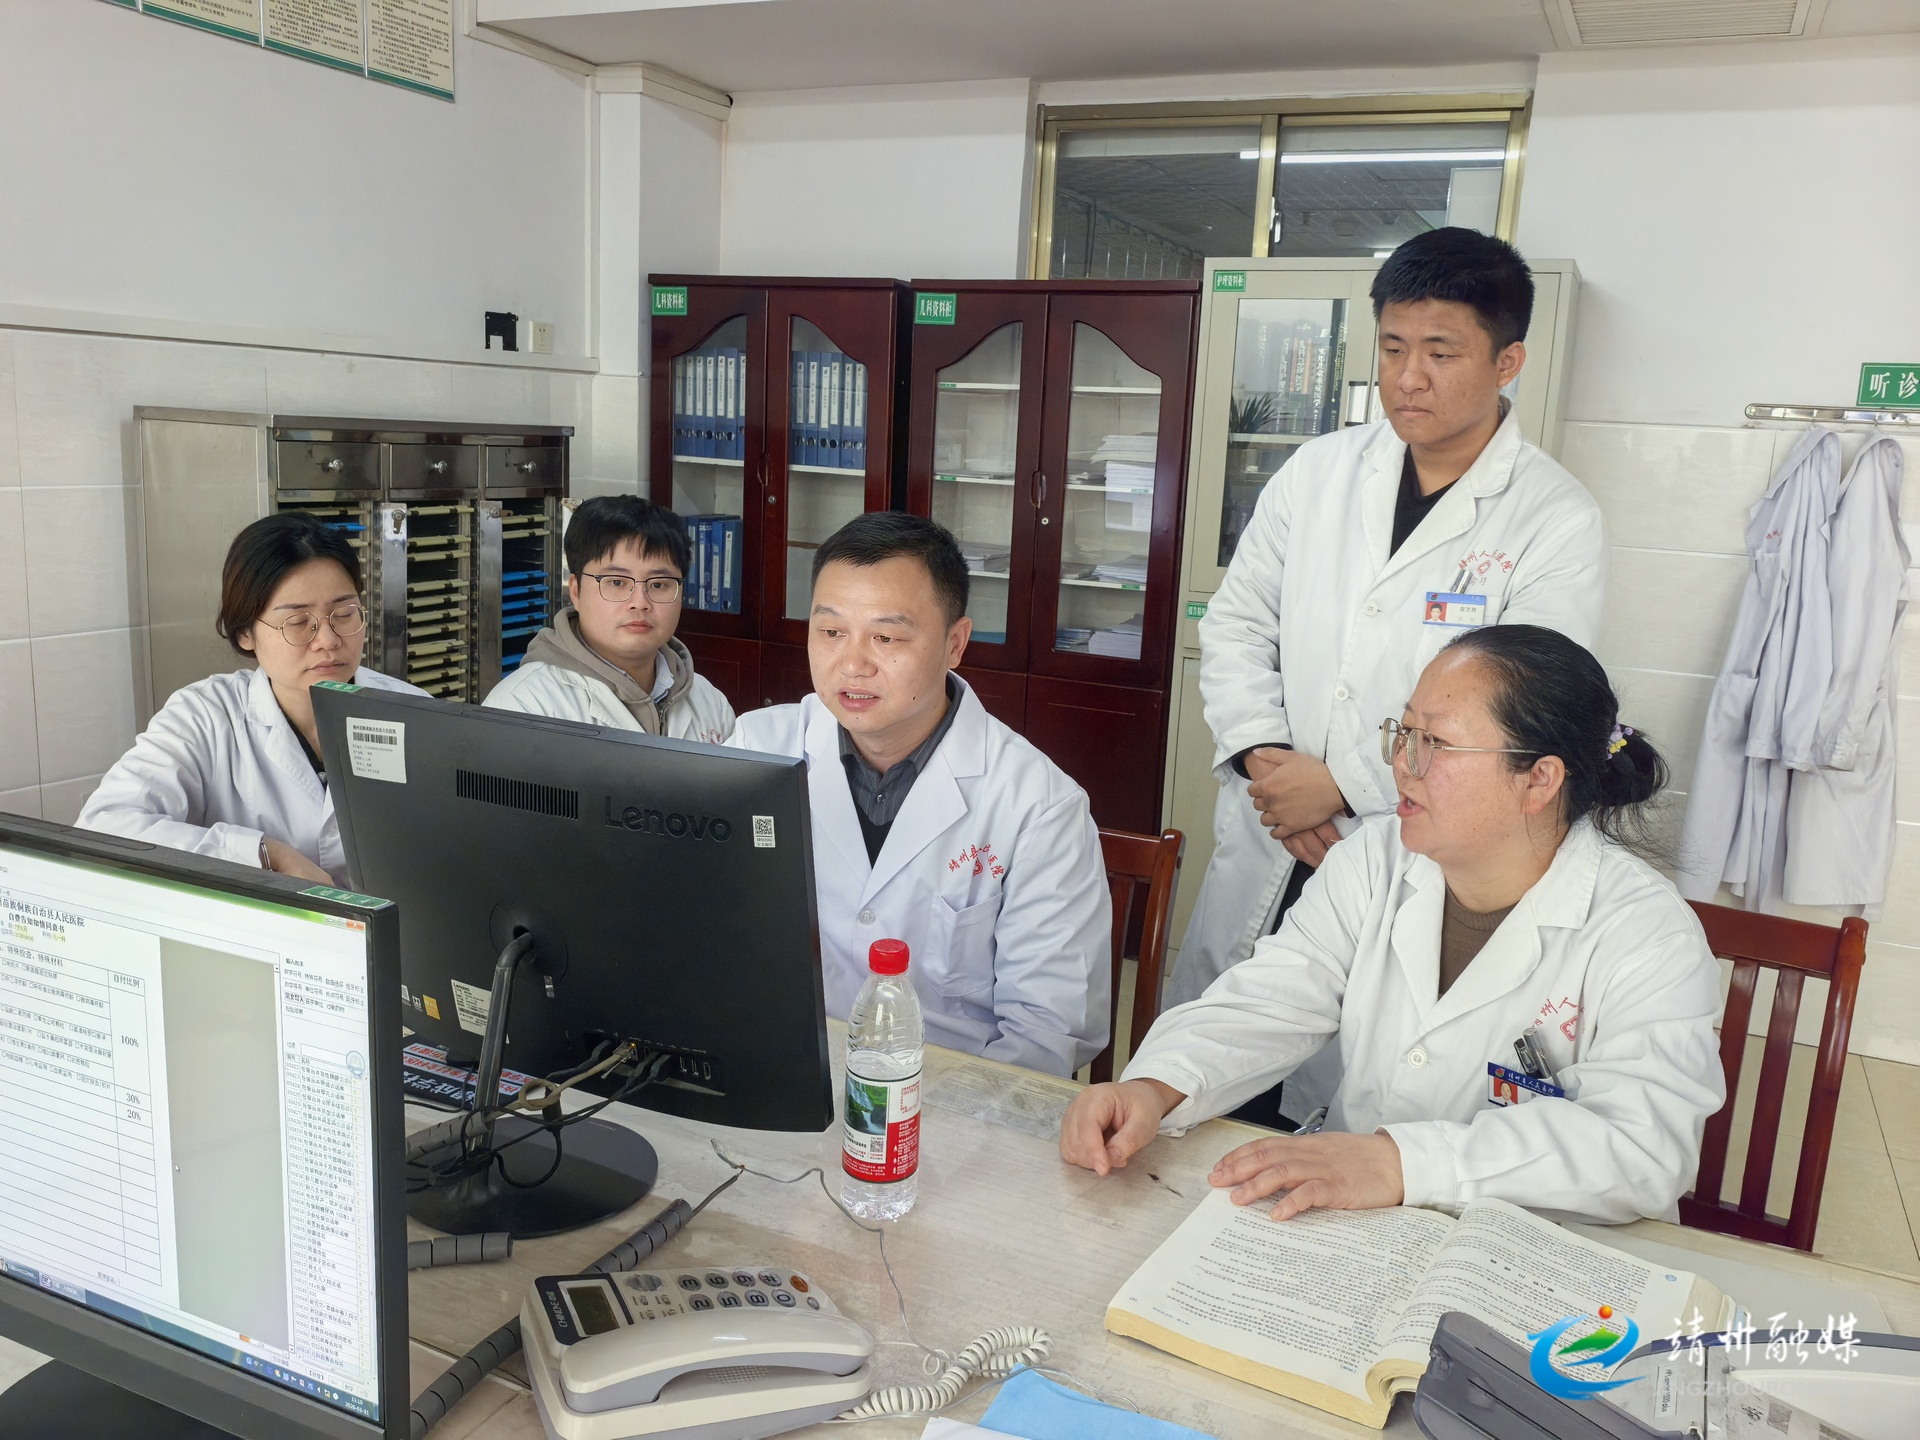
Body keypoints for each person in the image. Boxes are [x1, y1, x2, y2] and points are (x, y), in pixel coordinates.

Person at [1061, 625, 1725, 1227]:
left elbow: (1643, 1148)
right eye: (1403, 733)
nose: (1401, 763)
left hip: (1534, 1255)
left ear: (1539, 780)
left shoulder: (1646, 933)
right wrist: (1154, 1086)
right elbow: (1269, 1000)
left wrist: (1400, 1162)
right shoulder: (1374, 861)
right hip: (1358, 1228)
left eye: (1435, 742)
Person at [1172, 228, 1608, 1127]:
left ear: (1508, 362)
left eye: (1441, 353)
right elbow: (1239, 622)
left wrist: (1342, 784)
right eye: (1394, 347)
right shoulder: (1319, 472)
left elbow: (1524, 707)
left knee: (1341, 1101)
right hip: (1272, 818)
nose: (1409, 377)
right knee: (1218, 1073)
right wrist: (1264, 758)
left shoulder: (1554, 518)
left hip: (1402, 842)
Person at [728, 512, 1110, 1077]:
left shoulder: (1039, 805)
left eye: (886, 637)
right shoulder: (755, 749)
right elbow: (705, 936)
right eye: (830, 632)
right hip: (778, 1068)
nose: (852, 664)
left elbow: (1047, 1033)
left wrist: (921, 1109)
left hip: (953, 1094)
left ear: (955, 643)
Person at [79, 512, 425, 885]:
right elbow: (103, 827)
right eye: (298, 622)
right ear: (245, 632)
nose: (328, 640)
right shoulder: (205, 716)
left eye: (344, 614)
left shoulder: (415, 713)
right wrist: (264, 854)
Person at [484, 495, 734, 743]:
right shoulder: (520, 708)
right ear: (576, 591)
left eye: (658, 584)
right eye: (616, 582)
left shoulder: (709, 701)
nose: (640, 602)